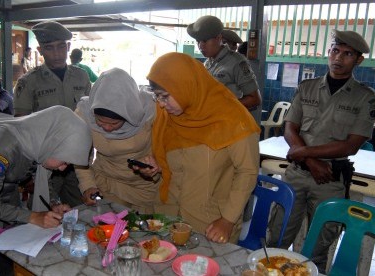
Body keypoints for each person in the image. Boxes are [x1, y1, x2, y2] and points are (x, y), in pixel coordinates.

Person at [268, 30, 375, 273]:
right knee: (276, 238)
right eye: (335, 51)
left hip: (330, 180)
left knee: (317, 248)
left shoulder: (366, 98)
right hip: (296, 174)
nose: (338, 58)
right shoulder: (306, 87)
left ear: (358, 60)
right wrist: (311, 161)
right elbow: (290, 127)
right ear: (329, 53)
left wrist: (304, 152)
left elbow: (351, 145)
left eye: (347, 54)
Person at [0, 106, 92, 276]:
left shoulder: (40, 142)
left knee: (11, 255)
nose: (63, 169)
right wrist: (33, 217)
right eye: (65, 161)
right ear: (54, 144)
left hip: (5, 194)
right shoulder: (2, 150)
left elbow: (37, 178)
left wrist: (53, 203)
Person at [145, 52, 260, 244]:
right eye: (157, 97)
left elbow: (247, 171)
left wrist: (228, 219)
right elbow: (169, 165)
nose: (162, 104)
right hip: (168, 218)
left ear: (186, 86)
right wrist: (154, 167)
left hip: (211, 225)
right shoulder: (168, 116)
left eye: (165, 96)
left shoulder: (232, 118)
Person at [14, 21, 92, 207]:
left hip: (77, 162)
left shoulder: (82, 77)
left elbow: (90, 116)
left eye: (61, 47)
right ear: (40, 50)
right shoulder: (28, 82)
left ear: (68, 47)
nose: (56, 53)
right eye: (49, 48)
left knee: (81, 210)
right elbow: (22, 127)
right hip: (46, 163)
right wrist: (30, 172)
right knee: (44, 212)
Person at [74, 68, 159, 213]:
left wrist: (156, 166)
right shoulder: (84, 113)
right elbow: (79, 156)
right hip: (106, 183)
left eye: (114, 124)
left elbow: (167, 148)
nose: (106, 128)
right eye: (100, 121)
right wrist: (88, 185)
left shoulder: (151, 111)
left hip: (144, 185)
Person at [187, 15, 262, 124]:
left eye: (204, 41)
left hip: (230, 125)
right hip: (210, 124)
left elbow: (254, 99)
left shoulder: (237, 62)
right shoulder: (208, 63)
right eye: (198, 41)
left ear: (219, 38)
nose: (200, 46)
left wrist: (223, 107)